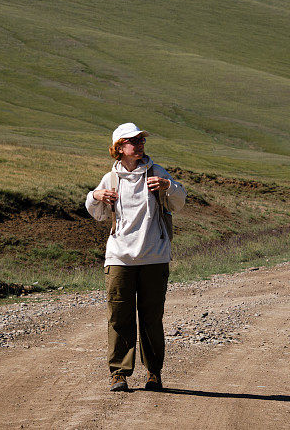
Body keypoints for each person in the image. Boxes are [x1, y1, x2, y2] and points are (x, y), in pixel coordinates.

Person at [85, 122, 186, 392]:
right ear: (119, 147)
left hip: (154, 257)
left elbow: (179, 201)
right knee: (119, 316)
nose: (139, 144)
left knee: (152, 318)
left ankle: (154, 373)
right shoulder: (111, 179)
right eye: (133, 140)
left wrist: (169, 185)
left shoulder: (156, 173)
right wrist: (95, 195)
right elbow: (97, 213)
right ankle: (119, 373)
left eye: (141, 140)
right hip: (119, 259)